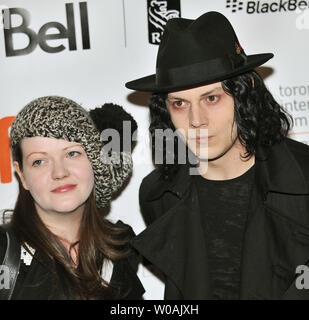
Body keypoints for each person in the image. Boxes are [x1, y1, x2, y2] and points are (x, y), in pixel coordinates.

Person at [125, 11, 309, 299]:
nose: (196, 119)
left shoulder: (303, 177)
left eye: (211, 98)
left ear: (244, 93)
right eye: (180, 104)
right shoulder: (158, 195)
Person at [0, 96, 144, 300]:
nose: (59, 172)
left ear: (95, 161)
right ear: (22, 175)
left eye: (72, 154)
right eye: (39, 161)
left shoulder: (119, 250)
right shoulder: (4, 254)